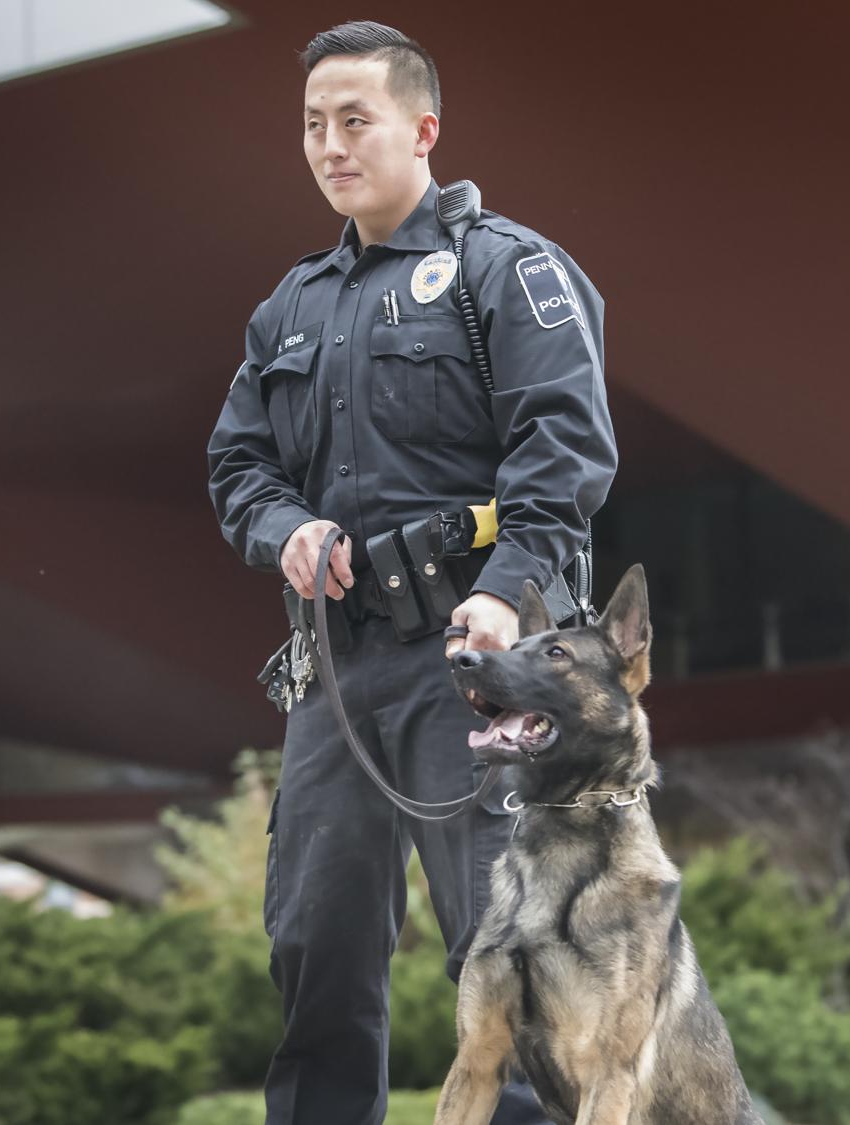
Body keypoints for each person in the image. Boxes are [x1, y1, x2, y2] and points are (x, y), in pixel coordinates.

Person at [206, 20, 617, 1125]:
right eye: (312, 125)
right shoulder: (290, 307)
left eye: (356, 120)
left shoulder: (507, 269)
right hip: (341, 674)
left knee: (507, 952)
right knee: (315, 953)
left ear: (422, 128)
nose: (330, 145)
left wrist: (508, 586)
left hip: (484, 661)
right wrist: (282, 525)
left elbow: (565, 448)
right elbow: (236, 463)